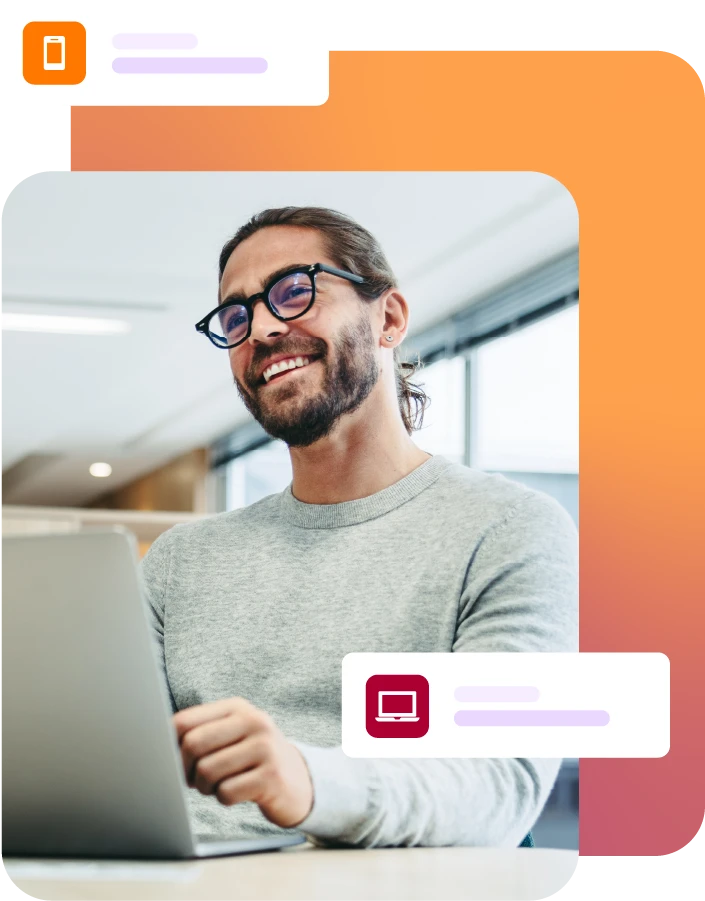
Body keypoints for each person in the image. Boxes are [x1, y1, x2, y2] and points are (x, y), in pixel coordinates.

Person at [141, 206, 578, 848]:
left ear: (389, 318)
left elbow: (499, 785)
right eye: (235, 316)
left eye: (294, 290)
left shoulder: (508, 526)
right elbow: (115, 763)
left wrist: (307, 781)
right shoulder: (180, 560)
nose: (260, 327)